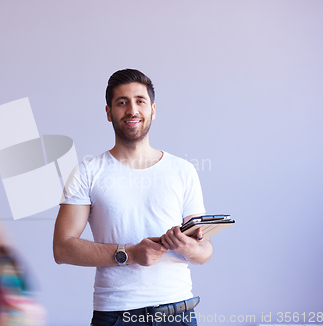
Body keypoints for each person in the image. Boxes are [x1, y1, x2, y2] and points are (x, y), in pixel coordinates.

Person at [53, 69, 213, 325]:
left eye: (140, 101)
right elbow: (62, 249)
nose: (132, 110)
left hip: (179, 313)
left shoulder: (183, 170)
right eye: (122, 102)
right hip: (117, 315)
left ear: (153, 110)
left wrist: (189, 247)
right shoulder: (88, 171)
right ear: (108, 112)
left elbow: (204, 252)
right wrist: (129, 254)